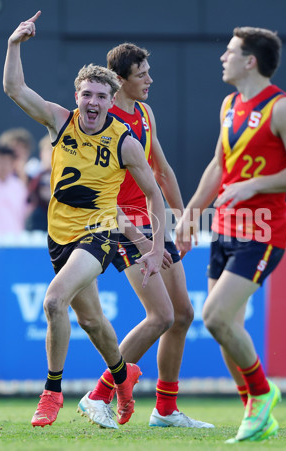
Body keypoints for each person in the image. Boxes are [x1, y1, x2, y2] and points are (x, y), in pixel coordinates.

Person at [3, 11, 166, 428]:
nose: (92, 103)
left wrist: (155, 246)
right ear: (77, 96)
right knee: (92, 321)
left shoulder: (124, 143)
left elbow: (154, 193)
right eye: (86, 94)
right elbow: (14, 87)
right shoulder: (60, 121)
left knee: (54, 300)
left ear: (112, 102)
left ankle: (52, 392)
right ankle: (122, 374)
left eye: (101, 96)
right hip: (58, 236)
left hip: (98, 235)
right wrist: (14, 44)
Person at [175, 27, 286, 443]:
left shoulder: (283, 108)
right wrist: (189, 216)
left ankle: (262, 393)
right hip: (224, 229)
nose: (224, 57)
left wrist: (256, 184)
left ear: (250, 60)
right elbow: (219, 167)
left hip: (262, 232)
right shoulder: (229, 104)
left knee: (215, 317)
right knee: (226, 329)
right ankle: (255, 415)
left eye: (231, 51)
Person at [77, 42, 213, 430]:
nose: (150, 80)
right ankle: (98, 394)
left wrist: (185, 220)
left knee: (183, 315)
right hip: (122, 227)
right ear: (119, 82)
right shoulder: (102, 124)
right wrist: (139, 237)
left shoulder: (144, 112)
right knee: (161, 316)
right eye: (142, 75)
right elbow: (100, 196)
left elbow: (163, 171)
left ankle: (166, 411)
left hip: (153, 223)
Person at [0, 144, 28, 234]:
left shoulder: (18, 186)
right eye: (0, 161)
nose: (3, 166)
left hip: (14, 239)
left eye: (7, 162)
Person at [25, 134, 52, 231]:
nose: (53, 153)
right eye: (49, 149)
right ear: (41, 153)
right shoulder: (29, 174)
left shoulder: (71, 178)